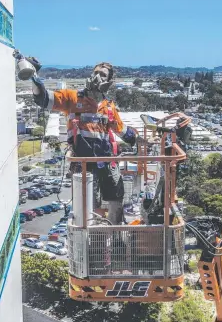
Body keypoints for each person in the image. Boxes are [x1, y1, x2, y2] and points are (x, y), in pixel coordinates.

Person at [27, 58, 141, 224]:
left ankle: (114, 232)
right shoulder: (72, 98)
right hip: (83, 164)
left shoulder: (108, 107)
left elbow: (122, 131)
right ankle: (92, 238)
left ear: (109, 82)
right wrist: (34, 77)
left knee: (117, 197)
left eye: (102, 75)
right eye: (95, 73)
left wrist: (140, 140)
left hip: (107, 161)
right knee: (88, 202)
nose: (97, 77)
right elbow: (43, 99)